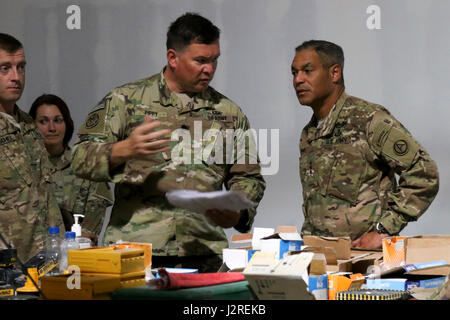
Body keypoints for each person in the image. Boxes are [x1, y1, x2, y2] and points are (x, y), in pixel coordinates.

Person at [71, 13, 266, 272]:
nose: (209, 69)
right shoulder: (125, 100)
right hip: (136, 253)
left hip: (204, 254)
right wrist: (123, 149)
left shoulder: (229, 113)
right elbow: (78, 159)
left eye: (214, 60)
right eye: (200, 60)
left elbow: (249, 178)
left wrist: (237, 212)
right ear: (172, 58)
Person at [291, 40, 439, 249]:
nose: (298, 80)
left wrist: (384, 229)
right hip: (321, 258)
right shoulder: (310, 133)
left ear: (334, 73)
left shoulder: (369, 120)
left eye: (307, 71)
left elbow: (424, 173)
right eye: (294, 73)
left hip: (365, 263)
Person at [0, 33, 64, 261]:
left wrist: (62, 250)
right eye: (5, 68)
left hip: (44, 259)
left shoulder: (28, 125)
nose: (16, 77)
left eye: (21, 67)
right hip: (7, 266)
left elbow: (45, 192)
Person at [28, 94, 113, 244]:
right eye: (43, 121)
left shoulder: (85, 166)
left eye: (58, 120)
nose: (52, 128)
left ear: (67, 124)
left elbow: (88, 235)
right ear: (32, 126)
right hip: (29, 255)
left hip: (75, 257)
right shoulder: (22, 168)